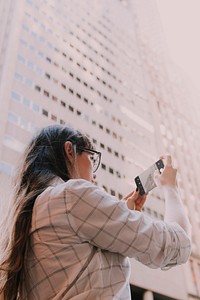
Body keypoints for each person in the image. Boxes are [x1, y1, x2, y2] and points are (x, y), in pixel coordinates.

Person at [0, 124, 191, 300]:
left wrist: (124, 212)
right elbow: (177, 244)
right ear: (70, 150)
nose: (95, 174)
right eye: (92, 158)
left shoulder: (29, 216)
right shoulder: (71, 195)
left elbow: (79, 269)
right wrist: (170, 187)